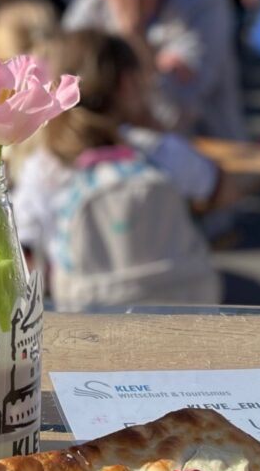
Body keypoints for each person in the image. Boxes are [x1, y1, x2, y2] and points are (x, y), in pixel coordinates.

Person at [12, 31, 221, 311]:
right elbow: (208, 182)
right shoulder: (157, 150)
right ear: (126, 84)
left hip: (85, 314)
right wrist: (153, 122)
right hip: (172, 308)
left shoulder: (45, 165)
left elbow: (23, 240)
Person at [63, 0, 245, 140]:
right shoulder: (89, 10)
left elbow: (173, 115)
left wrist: (133, 34)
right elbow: (68, 93)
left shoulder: (201, 1)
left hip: (205, 148)